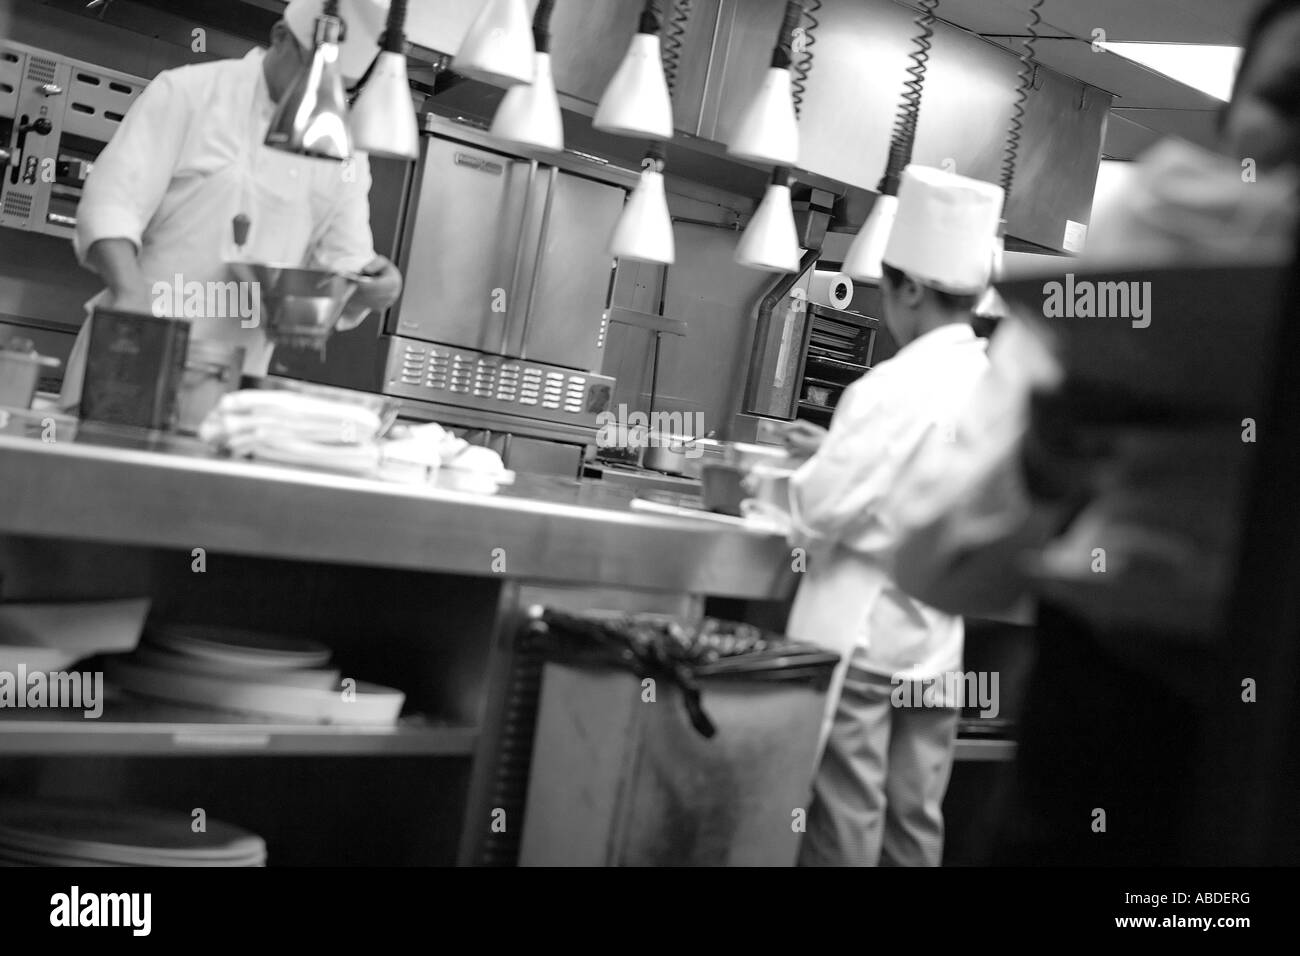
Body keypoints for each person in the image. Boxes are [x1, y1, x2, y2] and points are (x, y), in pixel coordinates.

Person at [888, 0, 1300, 864]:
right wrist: (1051, 449)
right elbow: (934, 561)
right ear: (1229, 122)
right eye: (1289, 99)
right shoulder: (1140, 265)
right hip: (1113, 726)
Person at [784, 166, 1005, 866]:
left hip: (869, 638)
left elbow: (822, 508)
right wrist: (837, 455)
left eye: (885, 286)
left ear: (910, 289)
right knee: (914, 822)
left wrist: (810, 474)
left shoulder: (893, 384)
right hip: (936, 649)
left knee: (846, 820)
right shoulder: (999, 383)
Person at [60, 0, 403, 410]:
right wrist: (130, 297)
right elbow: (110, 206)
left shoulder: (342, 147)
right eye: (313, 74)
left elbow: (345, 263)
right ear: (279, 37)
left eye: (337, 85)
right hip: (135, 351)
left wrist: (372, 289)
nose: (319, 96)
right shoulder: (189, 92)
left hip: (234, 382)